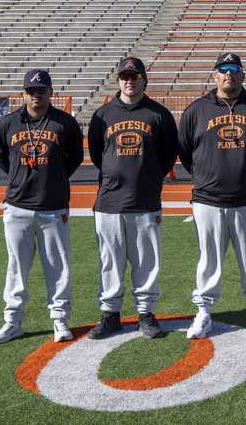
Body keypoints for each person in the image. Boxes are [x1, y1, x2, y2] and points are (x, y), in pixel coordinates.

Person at [178, 53, 246, 339]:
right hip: (208, 199)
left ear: (242, 75)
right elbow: (186, 152)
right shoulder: (196, 110)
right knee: (208, 261)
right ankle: (204, 313)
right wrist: (206, 176)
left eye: (234, 70)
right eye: (223, 70)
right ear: (215, 75)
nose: (229, 75)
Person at [86, 58, 178, 339]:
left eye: (134, 76)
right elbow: (97, 152)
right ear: (118, 80)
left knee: (146, 262)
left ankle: (145, 313)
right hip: (110, 202)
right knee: (110, 261)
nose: (129, 80)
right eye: (124, 76)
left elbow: (168, 155)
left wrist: (148, 178)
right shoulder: (103, 115)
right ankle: (110, 314)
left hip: (145, 200)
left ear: (143, 79)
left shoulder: (159, 114)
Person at [0, 69, 83, 344]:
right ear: (23, 94)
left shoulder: (64, 123)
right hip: (17, 206)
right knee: (16, 267)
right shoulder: (9, 123)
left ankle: (60, 320)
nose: (35, 96)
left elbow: (74, 159)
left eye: (41, 91)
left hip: (53, 207)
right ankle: (13, 321)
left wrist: (52, 179)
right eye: (30, 91)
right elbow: (2, 158)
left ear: (50, 93)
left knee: (58, 266)